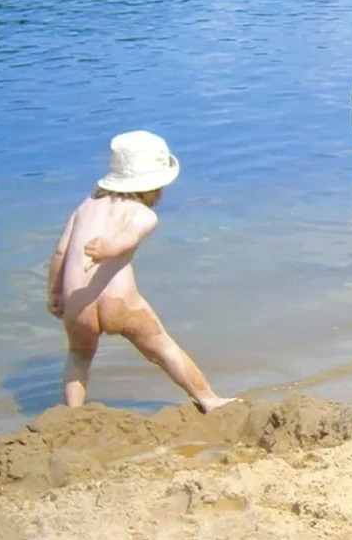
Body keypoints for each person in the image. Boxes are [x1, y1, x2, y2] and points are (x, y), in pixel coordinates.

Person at [46, 131, 233, 412]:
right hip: (119, 302)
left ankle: (73, 412)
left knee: (79, 355)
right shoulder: (143, 214)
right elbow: (128, 238)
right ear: (155, 185)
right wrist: (108, 248)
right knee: (163, 348)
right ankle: (208, 399)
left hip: (78, 302)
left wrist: (54, 292)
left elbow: (60, 253)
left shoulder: (84, 207)